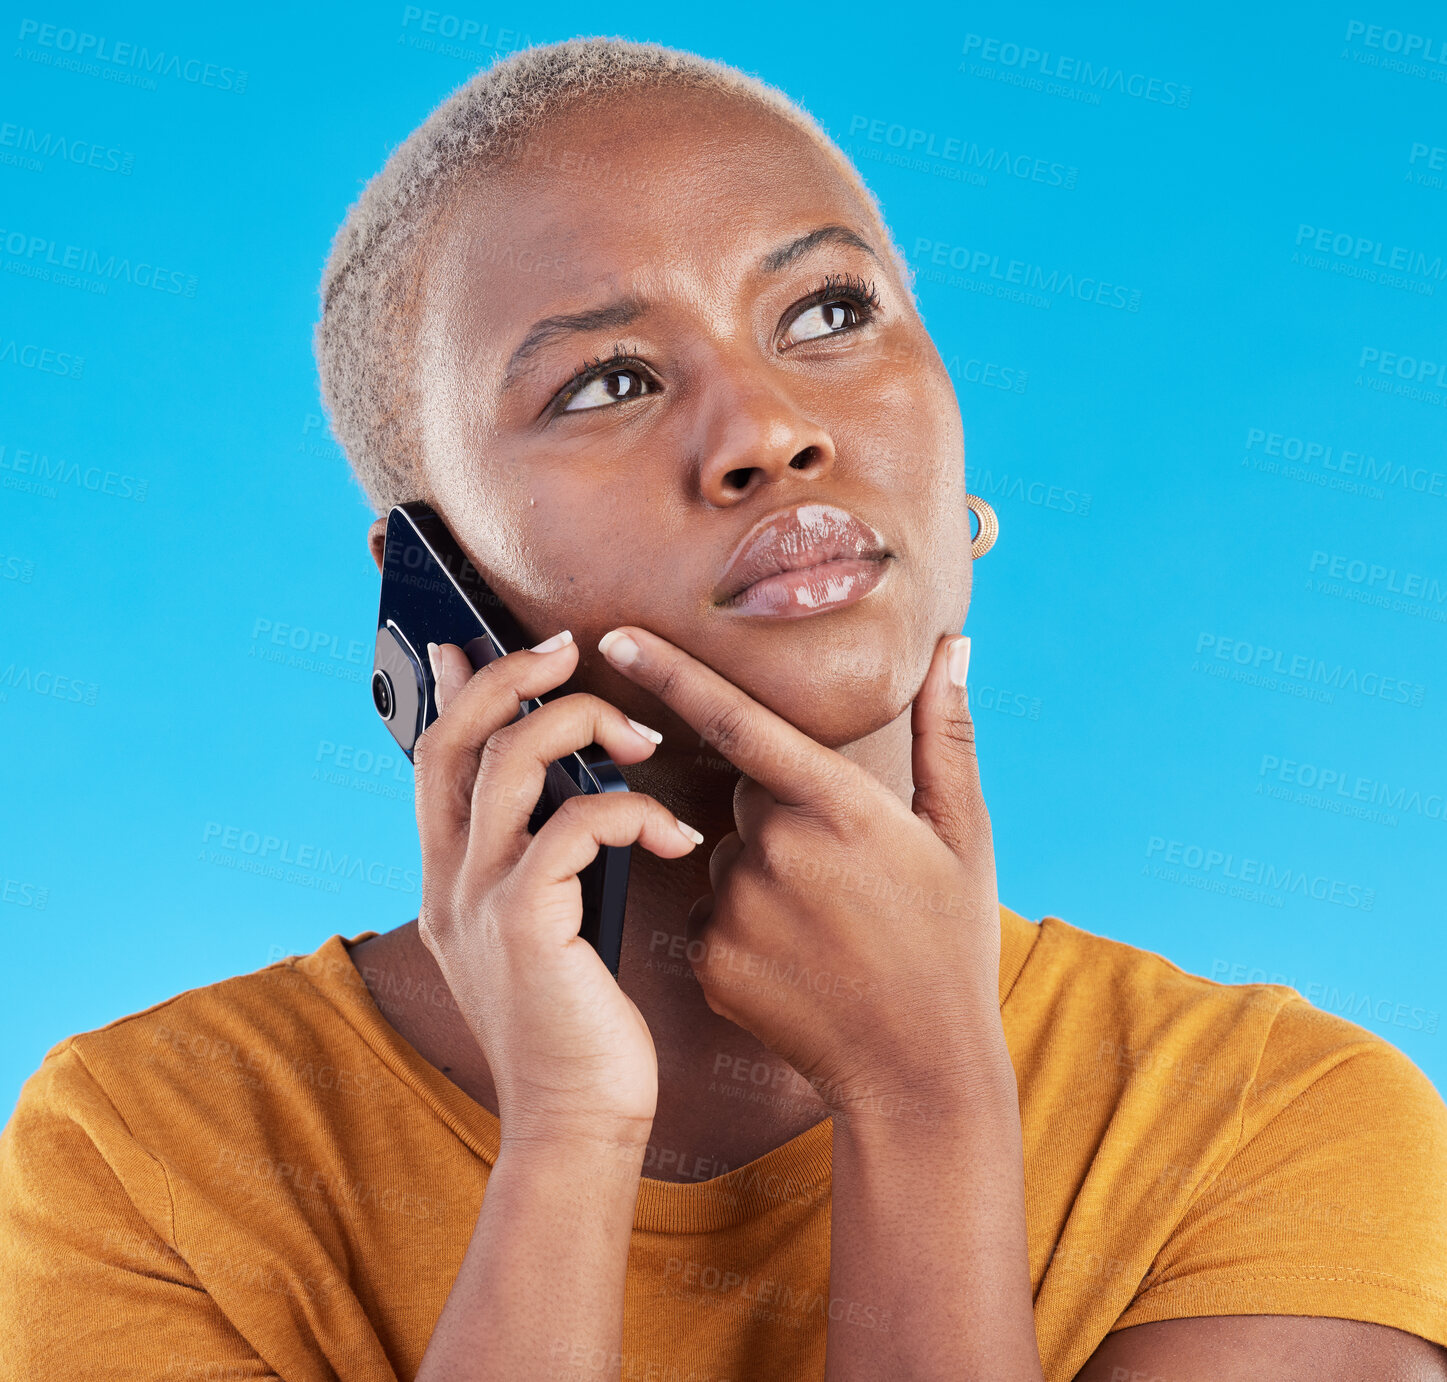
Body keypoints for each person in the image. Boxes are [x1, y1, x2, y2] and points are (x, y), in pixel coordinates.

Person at [2, 35, 1445, 1382]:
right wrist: (565, 1143)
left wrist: (928, 1107)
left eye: (828, 311)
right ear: (428, 582)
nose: (767, 431)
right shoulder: (150, 1154)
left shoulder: (1281, 1124)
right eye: (608, 380)